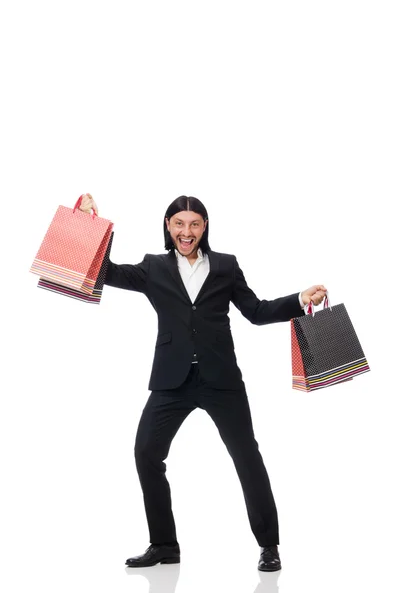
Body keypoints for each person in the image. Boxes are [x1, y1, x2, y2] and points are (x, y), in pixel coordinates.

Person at [79, 193, 327, 571]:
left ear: (204, 227)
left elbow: (256, 312)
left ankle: (269, 546)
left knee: (247, 457)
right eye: (179, 223)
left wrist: (298, 299)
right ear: (168, 226)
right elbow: (105, 271)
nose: (187, 231)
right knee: (146, 453)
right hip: (171, 380)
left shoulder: (226, 267)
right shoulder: (153, 268)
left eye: (195, 223)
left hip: (220, 379)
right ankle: (163, 544)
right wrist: (90, 225)